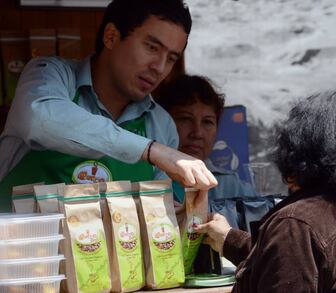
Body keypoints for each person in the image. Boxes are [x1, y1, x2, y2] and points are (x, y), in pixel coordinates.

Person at [0, 0, 217, 212]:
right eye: (152, 47)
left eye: (171, 58)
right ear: (111, 36)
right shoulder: (52, 76)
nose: (159, 68)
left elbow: (161, 215)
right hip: (22, 246)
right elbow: (39, 120)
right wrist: (150, 150)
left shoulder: (161, 124)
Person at [195, 89, 336, 292]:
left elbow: (301, 251)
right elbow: (305, 260)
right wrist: (228, 238)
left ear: (301, 147)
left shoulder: (296, 223)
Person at [155, 74, 256, 201]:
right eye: (185, 119)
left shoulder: (233, 188)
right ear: (162, 123)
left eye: (207, 122)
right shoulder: (148, 183)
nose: (197, 133)